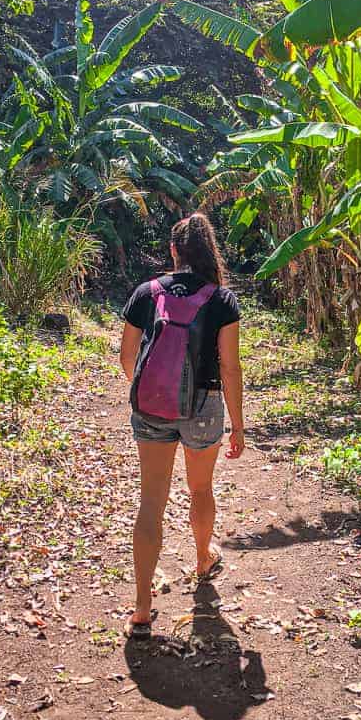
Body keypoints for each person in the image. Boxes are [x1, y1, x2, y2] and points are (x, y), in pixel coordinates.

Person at [119, 213, 245, 638]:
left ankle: (141, 606)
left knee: (151, 500)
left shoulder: (145, 293)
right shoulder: (221, 300)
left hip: (151, 408)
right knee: (201, 489)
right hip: (204, 407)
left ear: (173, 251)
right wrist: (239, 425)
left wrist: (157, 391)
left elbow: (127, 359)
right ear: (209, 251)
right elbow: (230, 367)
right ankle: (202, 559)